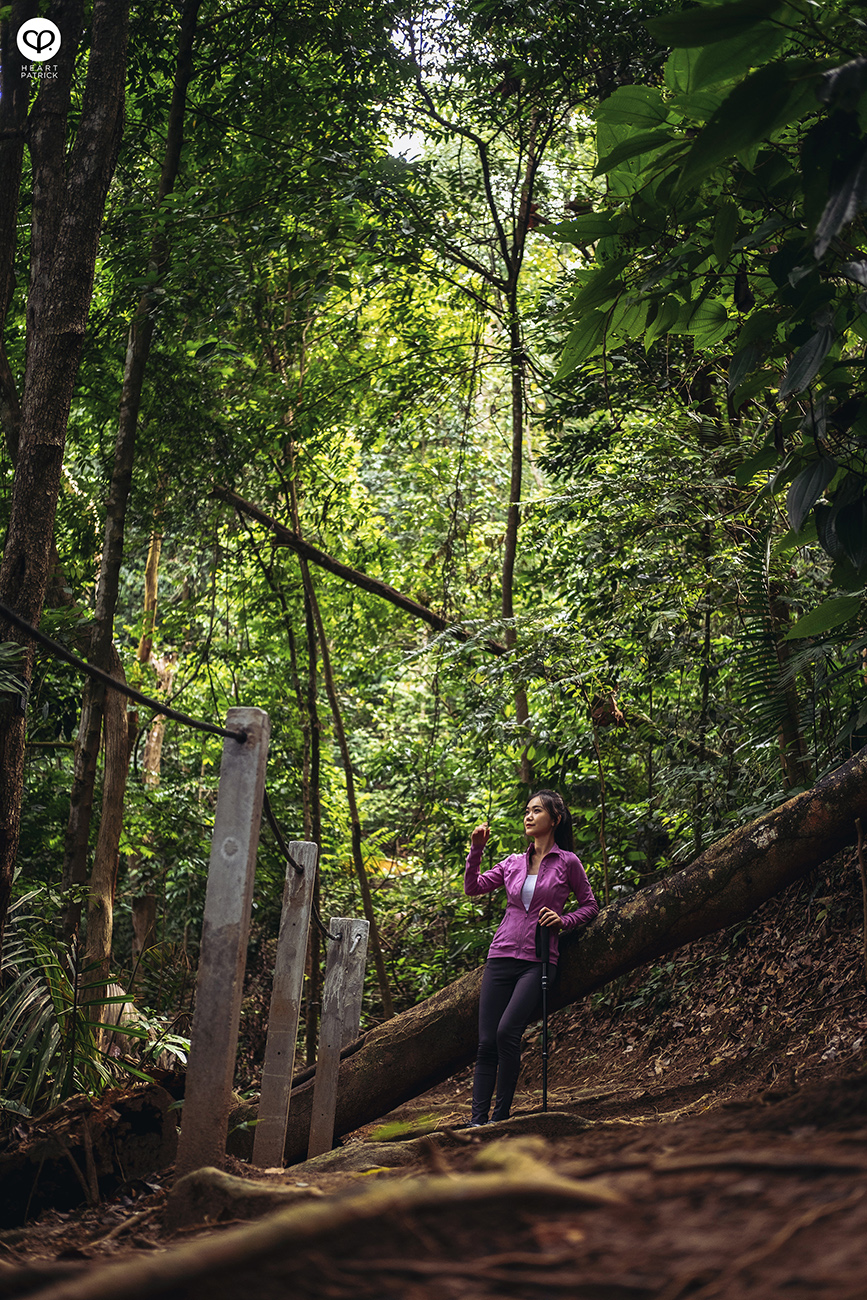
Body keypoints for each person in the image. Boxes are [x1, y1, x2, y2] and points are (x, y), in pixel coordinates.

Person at [464, 789, 598, 1125]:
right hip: (501, 954)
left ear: (554, 819)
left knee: (507, 1031)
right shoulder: (512, 862)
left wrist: (563, 920)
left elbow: (590, 906)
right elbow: (473, 887)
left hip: (539, 959)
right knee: (485, 1041)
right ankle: (477, 1122)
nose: (528, 816)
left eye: (536, 811)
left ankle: (500, 1118)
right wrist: (476, 849)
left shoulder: (568, 862)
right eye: (526, 810)